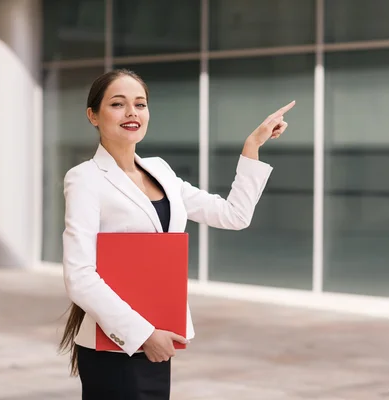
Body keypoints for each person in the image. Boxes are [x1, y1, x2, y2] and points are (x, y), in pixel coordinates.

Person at [57, 68, 295, 399]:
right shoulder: (85, 179)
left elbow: (233, 215)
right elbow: (80, 276)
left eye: (140, 104)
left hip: (160, 338)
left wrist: (253, 145)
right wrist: (142, 335)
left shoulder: (161, 170)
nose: (131, 113)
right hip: (117, 344)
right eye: (117, 104)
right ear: (93, 115)